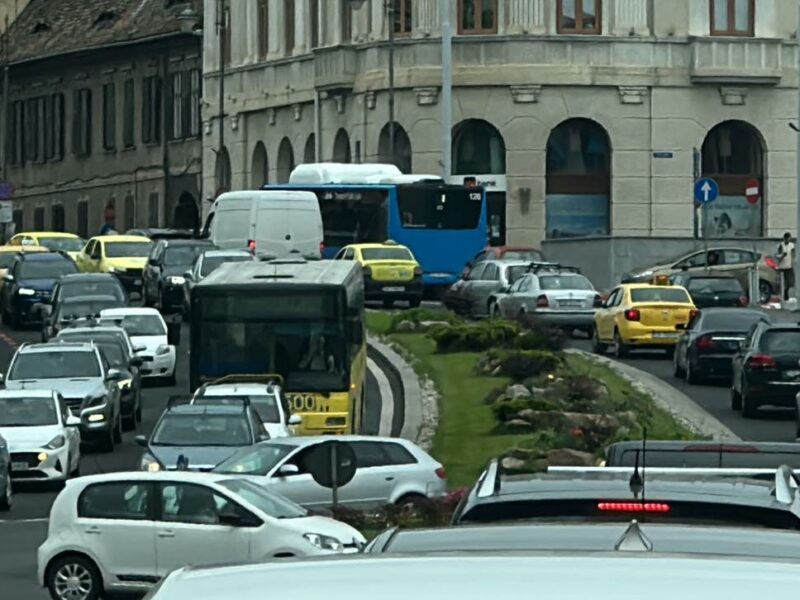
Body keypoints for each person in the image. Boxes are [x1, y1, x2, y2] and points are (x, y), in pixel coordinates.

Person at [777, 232, 795, 301]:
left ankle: (785, 292)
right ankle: (783, 296)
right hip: (782, 267)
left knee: (791, 282)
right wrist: (782, 256)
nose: (787, 241)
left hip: (789, 266)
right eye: (786, 239)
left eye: (789, 239)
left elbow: (793, 254)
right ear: (784, 239)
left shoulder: (791, 245)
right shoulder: (781, 245)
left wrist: (793, 262)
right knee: (782, 282)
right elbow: (777, 256)